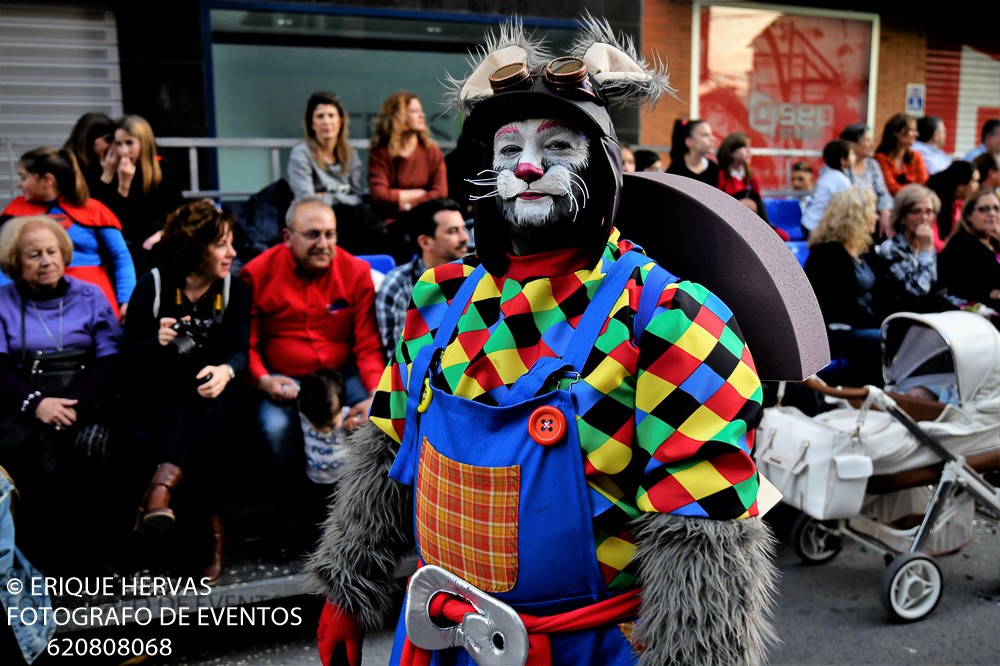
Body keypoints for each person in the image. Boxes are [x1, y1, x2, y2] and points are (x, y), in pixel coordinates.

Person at [309, 17, 777, 666]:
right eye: (509, 151)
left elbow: (702, 533)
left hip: (587, 650)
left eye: (558, 146)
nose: (528, 165)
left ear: (605, 166)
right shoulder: (441, 302)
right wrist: (345, 587)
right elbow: (388, 448)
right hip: (442, 643)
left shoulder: (669, 317)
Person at [240, 195, 383, 548]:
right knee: (275, 431)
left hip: (341, 373)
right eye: (313, 235)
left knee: (376, 423)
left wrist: (375, 395)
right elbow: (248, 344)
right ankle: (290, 525)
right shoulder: (255, 274)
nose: (324, 244)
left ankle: (362, 525)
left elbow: (367, 346)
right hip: (282, 376)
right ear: (287, 236)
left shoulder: (356, 272)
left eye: (330, 235)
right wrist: (263, 378)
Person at [123, 200, 248, 584]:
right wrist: (156, 343)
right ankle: (211, 536)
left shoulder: (234, 289)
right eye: (221, 245)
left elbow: (242, 350)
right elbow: (128, 354)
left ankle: (160, 491)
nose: (232, 253)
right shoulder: (156, 284)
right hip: (161, 390)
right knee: (184, 430)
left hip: (212, 391)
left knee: (207, 410)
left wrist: (226, 371)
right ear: (196, 247)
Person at [0, 217, 121, 575]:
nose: (46, 260)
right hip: (27, 407)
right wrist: (38, 404)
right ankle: (47, 564)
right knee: (37, 458)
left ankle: (104, 556)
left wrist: (74, 407)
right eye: (33, 254)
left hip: (88, 403)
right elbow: (0, 367)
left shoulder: (90, 295)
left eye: (52, 251)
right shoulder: (3, 301)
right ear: (15, 262)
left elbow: (110, 359)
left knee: (100, 450)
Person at [1, 147, 135, 318]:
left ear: (47, 180)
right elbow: (3, 263)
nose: (19, 184)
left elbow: (120, 257)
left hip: (93, 302)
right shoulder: (15, 212)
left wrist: (127, 299)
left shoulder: (93, 210)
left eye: (24, 177)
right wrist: (5, 299)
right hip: (33, 301)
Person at [287, 92, 385, 256]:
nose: (326, 121)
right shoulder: (301, 154)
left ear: (340, 121)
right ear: (312, 123)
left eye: (331, 115)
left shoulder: (350, 154)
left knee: (368, 220)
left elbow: (358, 195)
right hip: (317, 217)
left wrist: (326, 196)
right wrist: (338, 197)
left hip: (349, 216)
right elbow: (305, 199)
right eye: (320, 116)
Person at [804, 186, 883, 386]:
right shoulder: (828, 254)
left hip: (864, 324)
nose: (877, 216)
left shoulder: (864, 249)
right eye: (872, 211)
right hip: (837, 331)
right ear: (857, 217)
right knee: (886, 342)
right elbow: (838, 307)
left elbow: (883, 292)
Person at [90, 114, 184, 275]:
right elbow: (105, 217)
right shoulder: (113, 169)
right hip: (124, 240)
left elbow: (177, 210)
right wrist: (119, 184)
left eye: (129, 143)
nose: (123, 151)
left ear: (144, 143)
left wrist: (164, 232)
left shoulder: (163, 168)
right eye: (118, 144)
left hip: (155, 238)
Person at [375, 198, 469, 357]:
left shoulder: (478, 274)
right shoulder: (397, 284)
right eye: (453, 231)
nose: (464, 237)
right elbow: (399, 355)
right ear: (425, 242)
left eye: (463, 229)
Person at [873, 184, 959, 315]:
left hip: (929, 313)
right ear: (902, 218)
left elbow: (934, 284)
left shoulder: (926, 244)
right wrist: (925, 251)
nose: (924, 218)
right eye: (916, 211)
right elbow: (917, 291)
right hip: (902, 318)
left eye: (929, 212)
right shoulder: (891, 248)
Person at [368, 91, 448, 226]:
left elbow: (440, 193)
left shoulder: (432, 151)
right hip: (392, 224)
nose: (422, 115)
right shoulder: (381, 152)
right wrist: (421, 193)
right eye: (414, 111)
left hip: (427, 221)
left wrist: (409, 205)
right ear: (398, 117)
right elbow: (379, 195)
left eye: (421, 111)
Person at [938, 189, 1000, 312]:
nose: (992, 213)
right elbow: (961, 286)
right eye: (984, 209)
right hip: (972, 314)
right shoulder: (962, 244)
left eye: (996, 208)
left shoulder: (994, 241)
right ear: (968, 215)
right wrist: (989, 292)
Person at [840, 123, 894, 239]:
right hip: (847, 221)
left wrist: (885, 213)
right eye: (867, 140)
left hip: (871, 221)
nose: (872, 144)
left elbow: (883, 193)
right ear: (852, 144)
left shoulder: (872, 165)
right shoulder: (840, 167)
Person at [801, 139, 854, 238]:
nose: (854, 157)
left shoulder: (826, 172)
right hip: (816, 227)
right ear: (842, 160)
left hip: (808, 223)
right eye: (851, 154)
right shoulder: (841, 180)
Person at [925, 160, 980, 247]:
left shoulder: (958, 204)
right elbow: (936, 244)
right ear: (961, 185)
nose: (978, 186)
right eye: (974, 181)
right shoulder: (931, 204)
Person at [874, 112, 928, 197]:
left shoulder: (915, 156)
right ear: (896, 133)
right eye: (912, 130)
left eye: (915, 130)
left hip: (915, 201)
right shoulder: (881, 158)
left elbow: (923, 182)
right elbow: (891, 188)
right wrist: (914, 191)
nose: (916, 134)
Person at [62, 111, 116, 193]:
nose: (113, 146)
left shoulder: (104, 162)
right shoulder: (65, 166)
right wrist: (107, 175)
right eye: (108, 140)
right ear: (89, 139)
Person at [665, 118, 719, 186]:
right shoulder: (675, 172)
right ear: (689, 142)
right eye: (705, 135)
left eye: (711, 134)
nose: (712, 139)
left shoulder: (713, 168)